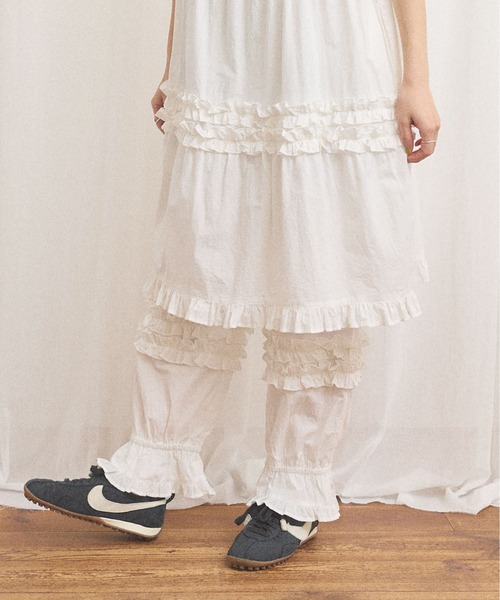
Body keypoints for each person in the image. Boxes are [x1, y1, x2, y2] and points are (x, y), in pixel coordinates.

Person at [24, 0, 440, 571]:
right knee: (200, 256)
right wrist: (175, 62)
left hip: (323, 48)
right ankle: (145, 474)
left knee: (317, 262)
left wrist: (416, 80)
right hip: (220, 46)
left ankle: (294, 492)